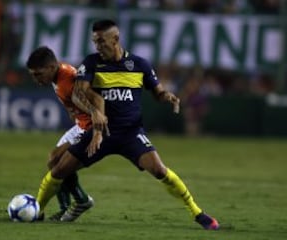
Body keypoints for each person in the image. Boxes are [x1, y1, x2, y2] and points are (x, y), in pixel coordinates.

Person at [35, 20, 219, 230]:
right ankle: (37, 210)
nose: (98, 47)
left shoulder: (140, 64)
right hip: (101, 134)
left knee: (159, 170)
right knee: (59, 170)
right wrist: (95, 116)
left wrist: (167, 96)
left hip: (131, 134)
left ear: (115, 39)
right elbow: (80, 91)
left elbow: (157, 91)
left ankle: (198, 213)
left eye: (102, 42)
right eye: (95, 42)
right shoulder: (92, 63)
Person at [26, 46, 108, 221]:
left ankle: (79, 201)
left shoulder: (67, 81)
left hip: (90, 127)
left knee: (58, 161)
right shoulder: (59, 73)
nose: (35, 79)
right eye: (32, 75)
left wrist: (93, 115)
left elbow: (85, 97)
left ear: (50, 68)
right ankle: (71, 204)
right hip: (81, 124)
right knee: (53, 161)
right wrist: (74, 112)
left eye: (38, 74)